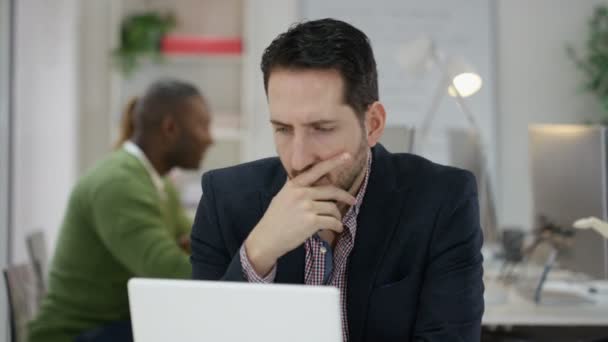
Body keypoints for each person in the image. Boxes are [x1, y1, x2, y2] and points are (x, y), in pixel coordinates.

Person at [190, 18, 484, 342]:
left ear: (372, 124)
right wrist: (259, 251)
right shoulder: (225, 200)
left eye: (322, 129)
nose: (299, 160)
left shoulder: (443, 201)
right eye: (283, 130)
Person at [28, 79, 213, 342]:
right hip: (75, 335)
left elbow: (201, 242)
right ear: (170, 128)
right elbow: (170, 272)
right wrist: (243, 271)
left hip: (111, 326)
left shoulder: (157, 183)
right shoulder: (119, 184)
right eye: (203, 125)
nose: (210, 138)